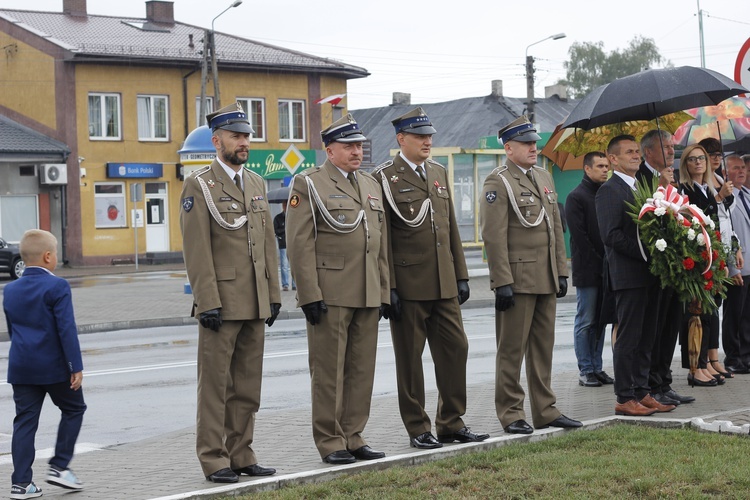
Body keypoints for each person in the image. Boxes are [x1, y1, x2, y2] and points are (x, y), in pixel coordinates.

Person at [374, 107, 489, 449]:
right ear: (401, 139)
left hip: (443, 283)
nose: (428, 141)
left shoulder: (437, 171)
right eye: (420, 136)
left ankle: (451, 421)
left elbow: (449, 227)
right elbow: (383, 238)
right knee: (410, 360)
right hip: (408, 285)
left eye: (429, 136)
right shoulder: (383, 177)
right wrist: (389, 287)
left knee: (457, 348)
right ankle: (417, 427)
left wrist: (462, 275)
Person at [180, 102, 281, 483]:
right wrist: (206, 301)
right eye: (236, 136)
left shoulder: (255, 182)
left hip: (254, 300)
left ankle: (242, 453)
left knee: (247, 387)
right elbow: (197, 248)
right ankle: (214, 458)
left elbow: (267, 241)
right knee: (216, 388)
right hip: (220, 303)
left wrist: (273, 292)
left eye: (246, 136)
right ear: (216, 139)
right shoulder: (200, 185)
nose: (243, 142)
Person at [286, 113, 389, 465]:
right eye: (349, 146)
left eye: (359, 145)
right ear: (330, 151)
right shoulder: (309, 183)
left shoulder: (371, 184)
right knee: (329, 372)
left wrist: (385, 292)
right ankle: (330, 441)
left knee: (361, 370)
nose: (356, 151)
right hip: (330, 293)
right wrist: (309, 294)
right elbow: (299, 245)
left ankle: (354, 435)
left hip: (367, 292)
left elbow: (379, 243)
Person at [480, 116, 582, 435]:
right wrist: (502, 282)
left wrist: (561, 272)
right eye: (526, 143)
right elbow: (493, 236)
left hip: (545, 277)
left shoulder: (543, 176)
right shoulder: (498, 181)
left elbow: (554, 227)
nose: (534, 148)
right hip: (518, 279)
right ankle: (511, 413)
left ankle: (545, 410)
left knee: (542, 348)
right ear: (509, 148)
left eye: (535, 142)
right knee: (511, 350)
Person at [595, 135, 676, 417]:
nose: (635, 156)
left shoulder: (644, 186)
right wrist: (647, 252)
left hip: (650, 275)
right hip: (628, 275)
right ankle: (624, 396)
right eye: (628, 152)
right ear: (613, 158)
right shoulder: (609, 190)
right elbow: (611, 235)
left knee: (647, 336)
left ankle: (643, 391)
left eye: (636, 152)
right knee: (629, 338)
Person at [4, 229, 86, 499]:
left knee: (24, 422)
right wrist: (75, 366)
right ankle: (59, 467)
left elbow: (13, 330)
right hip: (54, 367)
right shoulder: (57, 286)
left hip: (21, 367)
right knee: (74, 408)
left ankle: (21, 484)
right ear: (48, 257)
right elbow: (66, 329)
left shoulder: (10, 289)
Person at [637, 130, 695, 405]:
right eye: (666, 147)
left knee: (671, 326)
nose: (672, 151)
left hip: (674, 266)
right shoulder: (640, 178)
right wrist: (659, 184)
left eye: (673, 146)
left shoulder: (673, 178)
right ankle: (651, 385)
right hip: (652, 269)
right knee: (654, 330)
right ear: (648, 152)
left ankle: (664, 381)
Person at [564, 151, 614, 388]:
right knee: (586, 320)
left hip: (607, 268)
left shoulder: (605, 193)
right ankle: (585, 369)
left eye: (607, 166)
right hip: (588, 270)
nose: (605, 170)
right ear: (587, 169)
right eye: (600, 166)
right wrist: (599, 263)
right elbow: (580, 238)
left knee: (601, 321)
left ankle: (597, 367)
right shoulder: (576, 197)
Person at [676, 144, 724, 387]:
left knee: (707, 314)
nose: (698, 163)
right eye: (692, 159)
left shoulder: (706, 189)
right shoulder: (684, 189)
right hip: (694, 259)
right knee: (694, 314)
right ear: (685, 164)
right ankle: (694, 367)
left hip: (710, 257)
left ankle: (703, 362)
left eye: (701, 158)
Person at [699, 138, 740, 379]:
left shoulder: (722, 180)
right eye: (710, 154)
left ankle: (714, 357)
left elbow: (728, 221)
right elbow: (705, 214)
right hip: (709, 251)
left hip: (724, 249)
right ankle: (704, 359)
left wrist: (735, 249)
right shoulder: (704, 183)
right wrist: (719, 197)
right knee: (708, 309)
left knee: (716, 308)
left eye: (718, 153)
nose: (716, 158)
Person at [722, 153, 750, 374]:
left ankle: (746, 355)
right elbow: (727, 233)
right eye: (736, 168)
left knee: (747, 314)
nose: (742, 171)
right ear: (725, 172)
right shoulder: (728, 199)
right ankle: (733, 357)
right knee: (734, 314)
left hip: (749, 263)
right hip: (737, 265)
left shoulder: (746, 194)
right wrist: (732, 266)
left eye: (743, 168)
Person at [273, 200, 295, 291]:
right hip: (283, 244)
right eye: (284, 205)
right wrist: (284, 230)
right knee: (284, 265)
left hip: (293, 244)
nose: (285, 207)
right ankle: (285, 284)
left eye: (287, 205)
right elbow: (275, 230)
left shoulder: (293, 217)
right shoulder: (278, 218)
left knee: (294, 265)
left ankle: (294, 284)